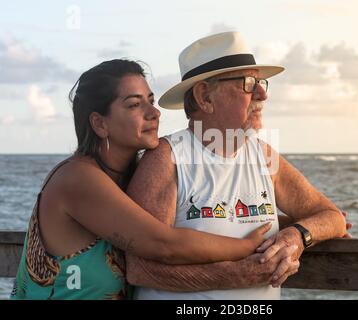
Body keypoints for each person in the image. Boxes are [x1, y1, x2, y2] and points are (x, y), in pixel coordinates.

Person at [9, 59, 275, 300]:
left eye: (151, 100)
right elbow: (164, 244)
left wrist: (287, 231)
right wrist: (247, 245)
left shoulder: (131, 177)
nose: (154, 112)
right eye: (135, 104)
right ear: (100, 124)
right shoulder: (77, 178)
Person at [126, 32, 349, 300]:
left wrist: (297, 236)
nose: (262, 94)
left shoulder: (264, 156)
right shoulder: (167, 159)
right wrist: (233, 276)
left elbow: (332, 216)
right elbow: (140, 269)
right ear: (205, 96)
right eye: (248, 83)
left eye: (261, 82)